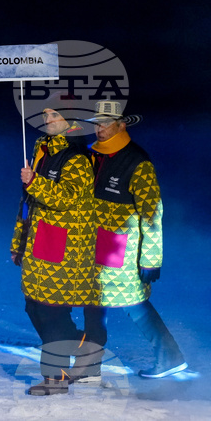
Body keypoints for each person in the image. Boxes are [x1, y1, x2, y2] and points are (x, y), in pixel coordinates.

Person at [84, 100, 188, 379]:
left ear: (121, 124)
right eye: (97, 123)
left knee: (132, 303)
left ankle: (170, 357)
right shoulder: (94, 155)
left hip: (121, 247)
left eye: (106, 123)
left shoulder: (138, 162)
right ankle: (90, 361)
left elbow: (152, 214)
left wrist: (151, 259)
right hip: (94, 242)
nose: (100, 129)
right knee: (94, 300)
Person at [10, 99, 96, 395]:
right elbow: (28, 202)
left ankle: (55, 378)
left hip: (65, 246)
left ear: (71, 122)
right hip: (39, 241)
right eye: (45, 113)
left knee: (52, 311)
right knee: (34, 306)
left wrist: (35, 182)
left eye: (54, 114)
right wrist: (18, 241)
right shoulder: (41, 148)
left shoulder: (77, 158)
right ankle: (85, 345)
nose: (47, 118)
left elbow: (67, 198)